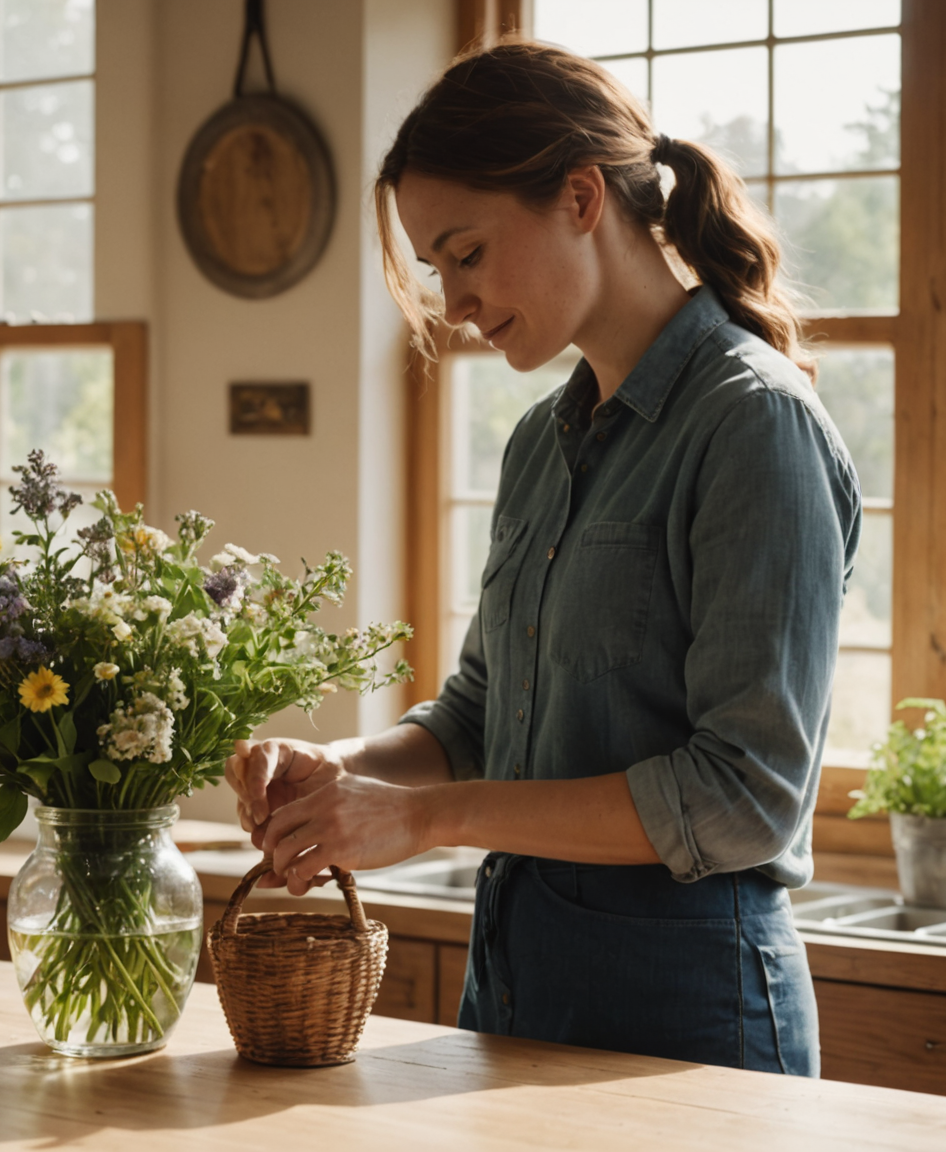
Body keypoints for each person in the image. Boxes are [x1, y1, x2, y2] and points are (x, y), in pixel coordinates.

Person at [224, 41, 859, 1077]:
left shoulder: (754, 428)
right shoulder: (539, 446)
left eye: (467, 253)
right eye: (438, 268)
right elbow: (481, 716)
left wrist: (428, 819)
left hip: (692, 1032)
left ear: (577, 197)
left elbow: (744, 795)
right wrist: (338, 773)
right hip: (515, 1005)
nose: (454, 301)